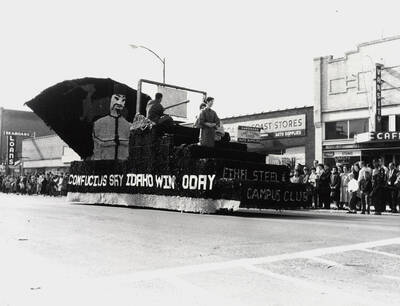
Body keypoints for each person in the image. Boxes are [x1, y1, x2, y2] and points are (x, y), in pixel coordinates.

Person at [92, 88, 131, 160]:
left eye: (123, 100)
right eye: (116, 98)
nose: (119, 103)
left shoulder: (128, 125)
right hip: (103, 163)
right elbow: (97, 145)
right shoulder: (99, 123)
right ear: (110, 99)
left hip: (121, 165)